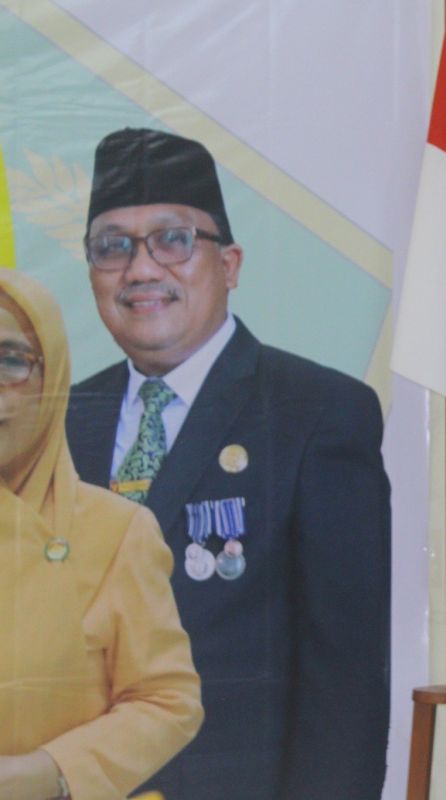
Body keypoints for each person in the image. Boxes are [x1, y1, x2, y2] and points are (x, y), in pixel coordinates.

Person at [65, 128, 391, 799]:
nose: (142, 269)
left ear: (231, 264)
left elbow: (345, 681)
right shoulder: (57, 421)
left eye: (173, 239)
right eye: (112, 247)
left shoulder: (318, 414)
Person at [1, 269, 202, 799]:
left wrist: (53, 772)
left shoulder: (117, 532)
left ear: (54, 375)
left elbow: (167, 700)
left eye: (10, 361)